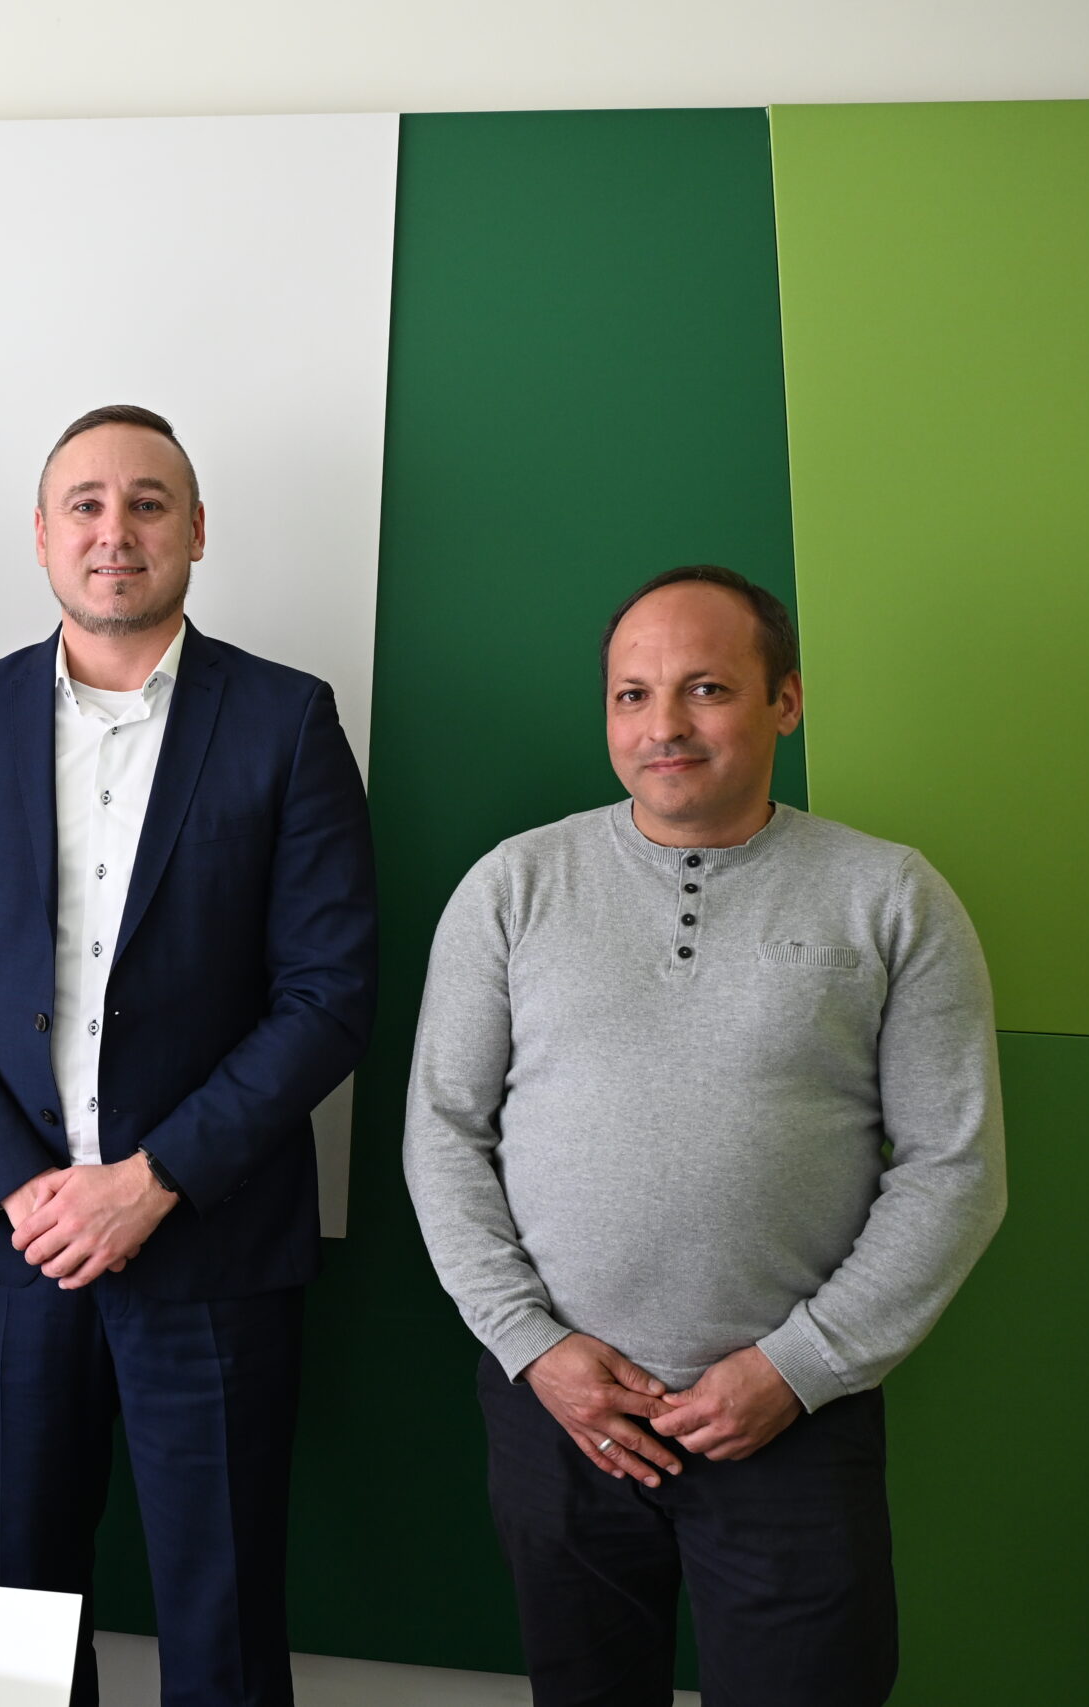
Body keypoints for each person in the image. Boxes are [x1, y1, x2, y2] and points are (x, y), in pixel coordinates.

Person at [403, 565, 1007, 1706]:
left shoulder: (891, 897)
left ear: (786, 701)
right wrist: (531, 1343)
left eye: (707, 689)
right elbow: (443, 1132)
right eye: (631, 695)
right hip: (561, 1412)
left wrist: (795, 1368)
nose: (663, 727)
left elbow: (954, 1169)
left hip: (794, 1420)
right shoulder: (512, 886)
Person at [0, 405, 378, 1707]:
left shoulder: (286, 720)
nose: (114, 530)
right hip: (15, 1240)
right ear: (41, 534)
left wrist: (154, 1179)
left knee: (222, 1607)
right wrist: (16, 1183)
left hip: (210, 1237)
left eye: (147, 503)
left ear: (196, 530)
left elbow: (328, 993)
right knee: (24, 1601)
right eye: (84, 504)